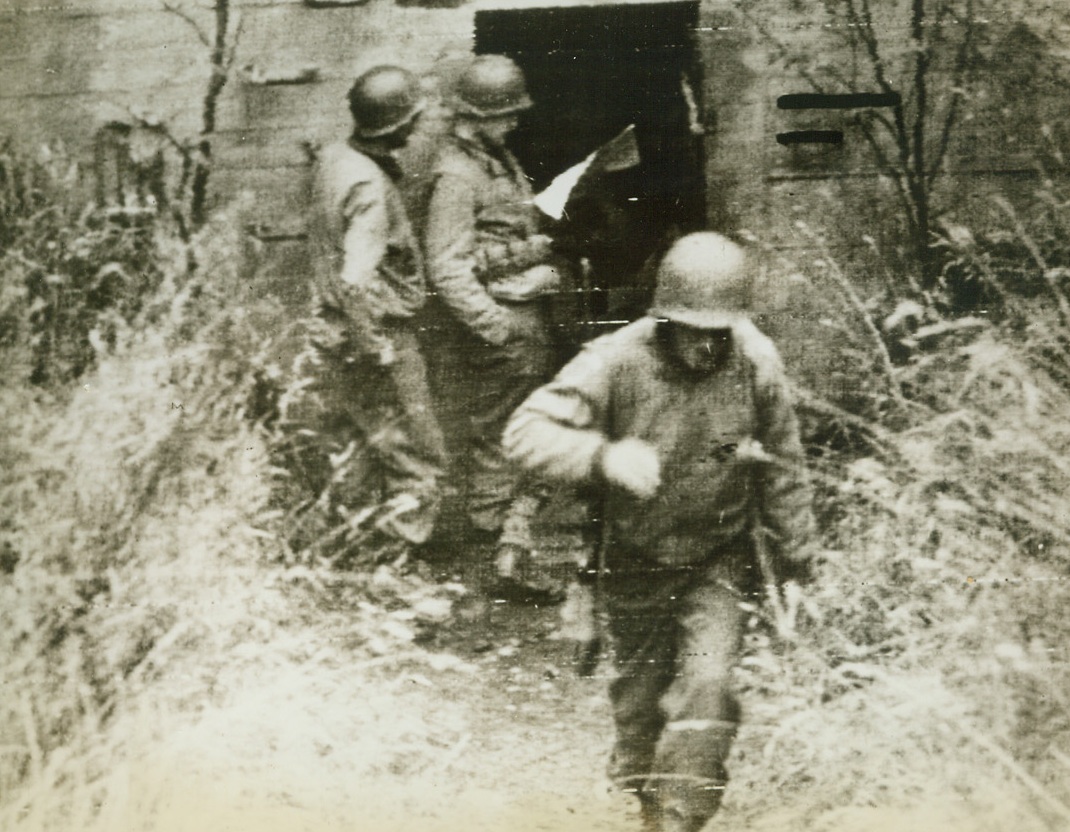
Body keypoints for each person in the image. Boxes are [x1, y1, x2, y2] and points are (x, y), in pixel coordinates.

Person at [502, 232, 816, 832]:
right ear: (664, 319)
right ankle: (644, 798)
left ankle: (682, 819)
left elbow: (784, 469)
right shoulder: (615, 360)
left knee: (709, 686)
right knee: (640, 709)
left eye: (718, 331)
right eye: (691, 329)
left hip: (717, 557)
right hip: (633, 558)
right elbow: (525, 432)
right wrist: (601, 456)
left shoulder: (755, 362)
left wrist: (797, 564)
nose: (706, 345)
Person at [424, 54, 571, 597]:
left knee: (521, 432)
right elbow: (445, 264)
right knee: (498, 441)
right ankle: (499, 564)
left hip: (523, 326)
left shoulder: (492, 158)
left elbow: (492, 237)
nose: (514, 121)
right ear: (473, 115)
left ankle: (510, 554)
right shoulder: (458, 176)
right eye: (504, 113)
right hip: (504, 332)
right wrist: (496, 326)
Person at [301, 65, 446, 567]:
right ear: (399, 125)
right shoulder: (367, 186)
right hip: (373, 334)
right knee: (417, 453)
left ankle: (358, 556)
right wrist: (376, 347)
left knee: (360, 449)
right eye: (414, 116)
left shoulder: (336, 158)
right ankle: (403, 560)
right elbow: (355, 278)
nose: (419, 123)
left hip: (334, 333)